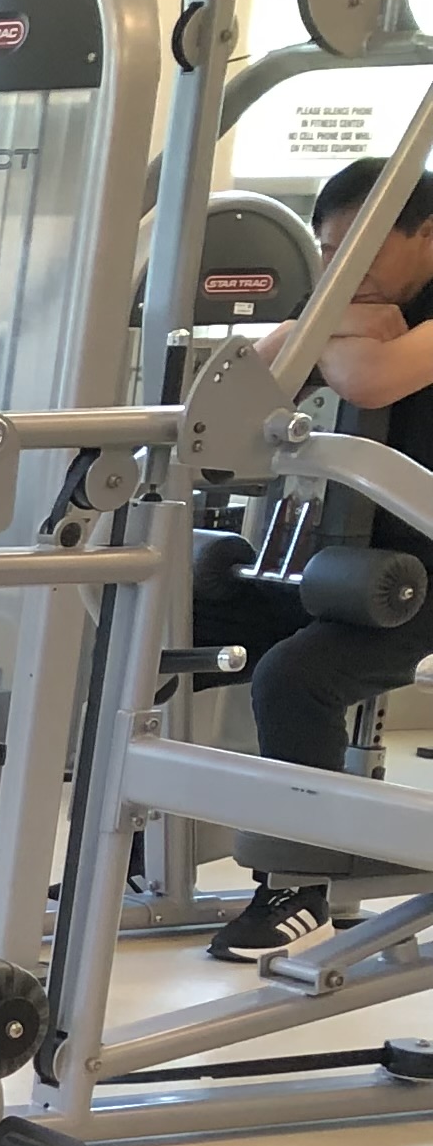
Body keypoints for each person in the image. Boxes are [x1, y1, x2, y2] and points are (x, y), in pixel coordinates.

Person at [187, 153, 433, 962]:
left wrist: (323, 332)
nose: (340, 267)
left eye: (360, 247)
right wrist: (325, 324)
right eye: (328, 251)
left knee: (296, 677)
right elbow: (244, 389)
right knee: (166, 620)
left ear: (426, 235)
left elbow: (369, 379)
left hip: (422, 577)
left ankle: (298, 889)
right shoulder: (353, 304)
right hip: (344, 566)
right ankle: (146, 849)